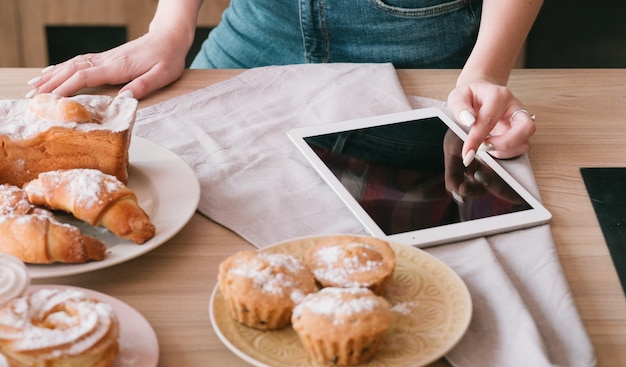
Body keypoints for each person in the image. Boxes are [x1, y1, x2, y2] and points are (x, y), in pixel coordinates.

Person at [25, 0, 542, 166]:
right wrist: (170, 29)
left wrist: (486, 72)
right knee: (159, 164)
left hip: (415, 42)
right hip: (257, 30)